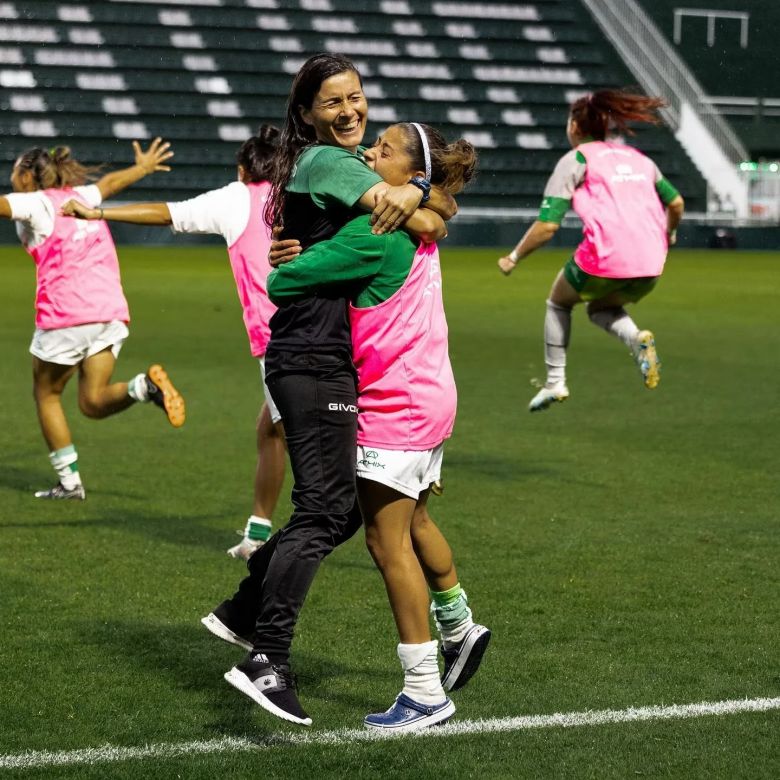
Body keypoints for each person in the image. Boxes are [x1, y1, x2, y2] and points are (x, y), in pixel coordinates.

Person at [209, 53, 456, 728]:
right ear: (308, 113)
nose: (351, 112)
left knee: (339, 510)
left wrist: (421, 196)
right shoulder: (331, 163)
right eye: (333, 103)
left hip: (328, 358)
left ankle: (242, 612)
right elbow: (421, 220)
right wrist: (415, 195)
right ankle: (267, 658)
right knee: (327, 511)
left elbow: (426, 217)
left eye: (357, 98)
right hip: (314, 357)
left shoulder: (329, 169)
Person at [265, 121, 490, 732]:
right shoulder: (417, 223)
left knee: (385, 542)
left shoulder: (375, 230)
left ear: (408, 173)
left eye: (383, 150)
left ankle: (423, 691)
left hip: (396, 404)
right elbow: (438, 208)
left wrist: (295, 250)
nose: (368, 153)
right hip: (430, 395)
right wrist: (423, 193)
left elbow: (283, 283)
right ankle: (459, 626)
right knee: (413, 521)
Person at [63, 126, 285, 560]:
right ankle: (257, 535)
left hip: (281, 337)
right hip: (323, 328)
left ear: (243, 169)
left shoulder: (237, 197)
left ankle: (371, 513)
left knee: (313, 445)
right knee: (270, 429)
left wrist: (101, 215)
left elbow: (168, 212)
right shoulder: (298, 193)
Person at [0, 139, 185, 500]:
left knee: (46, 394)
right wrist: (143, 168)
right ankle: (144, 387)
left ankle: (69, 484)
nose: (10, 177)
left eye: (14, 171)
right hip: (109, 311)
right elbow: (110, 184)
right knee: (92, 401)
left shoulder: (34, 202)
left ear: (26, 176)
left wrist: (141, 169)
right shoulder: (83, 196)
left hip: (66, 316)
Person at [497, 89, 685, 411]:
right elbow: (677, 202)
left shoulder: (577, 159)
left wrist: (513, 257)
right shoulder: (640, 159)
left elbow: (547, 226)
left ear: (574, 126)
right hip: (652, 264)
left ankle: (555, 382)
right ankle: (637, 339)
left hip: (606, 258)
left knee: (558, 303)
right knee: (600, 309)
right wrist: (669, 233)